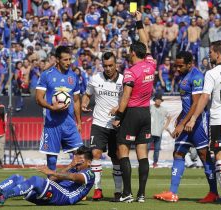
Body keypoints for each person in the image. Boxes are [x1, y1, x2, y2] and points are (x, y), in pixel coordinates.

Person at [154, 51, 218, 203]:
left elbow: (196, 103)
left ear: (190, 64)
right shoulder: (183, 76)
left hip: (197, 123)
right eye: (176, 66)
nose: (177, 69)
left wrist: (183, 123)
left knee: (203, 155)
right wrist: (180, 119)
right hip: (185, 121)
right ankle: (172, 192)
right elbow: (187, 103)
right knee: (178, 153)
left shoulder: (197, 77)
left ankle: (214, 192)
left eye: (180, 66)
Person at [185, 41, 221, 202]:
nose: (209, 55)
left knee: (220, 156)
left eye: (211, 52)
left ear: (218, 54)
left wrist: (193, 118)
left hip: (217, 119)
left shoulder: (211, 73)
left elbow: (204, 97)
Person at [112, 11, 156, 203]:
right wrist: (139, 22)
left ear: (132, 53)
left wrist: (118, 116)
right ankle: (141, 194)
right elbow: (145, 44)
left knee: (122, 150)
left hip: (132, 113)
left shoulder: (130, 72)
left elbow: (126, 97)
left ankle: (127, 192)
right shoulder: (151, 65)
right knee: (142, 154)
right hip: (146, 113)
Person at [0, 146, 95, 206]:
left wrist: (51, 172)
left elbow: (73, 178)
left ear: (89, 162)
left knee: (36, 180)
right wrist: (70, 165)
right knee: (17, 178)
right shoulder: (73, 168)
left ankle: (3, 196)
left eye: (80, 161)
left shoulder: (89, 173)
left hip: (65, 197)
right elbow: (52, 179)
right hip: (55, 193)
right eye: (76, 159)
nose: (77, 163)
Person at [81, 51, 123, 202]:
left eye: (111, 65)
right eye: (105, 66)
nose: (108, 68)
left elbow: (127, 102)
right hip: (98, 123)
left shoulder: (123, 81)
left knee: (116, 157)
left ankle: (118, 191)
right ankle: (97, 189)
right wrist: (85, 102)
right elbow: (87, 94)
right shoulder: (95, 78)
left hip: (116, 124)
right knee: (96, 154)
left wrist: (118, 111)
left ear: (116, 64)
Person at [36, 45, 83, 171]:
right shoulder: (47, 75)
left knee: (80, 157)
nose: (68, 63)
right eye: (65, 60)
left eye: (70, 59)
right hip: (52, 124)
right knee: (51, 160)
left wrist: (79, 122)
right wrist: (51, 107)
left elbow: (77, 101)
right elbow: (39, 98)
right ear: (57, 60)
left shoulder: (73, 76)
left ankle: (73, 186)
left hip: (69, 123)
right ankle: (52, 188)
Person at [148, 93, 170, 168]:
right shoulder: (150, 107)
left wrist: (165, 126)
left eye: (160, 100)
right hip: (150, 131)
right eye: (157, 99)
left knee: (157, 149)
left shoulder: (163, 109)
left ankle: (155, 163)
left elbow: (169, 117)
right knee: (147, 148)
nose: (158, 101)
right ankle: (143, 162)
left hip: (159, 132)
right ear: (155, 100)